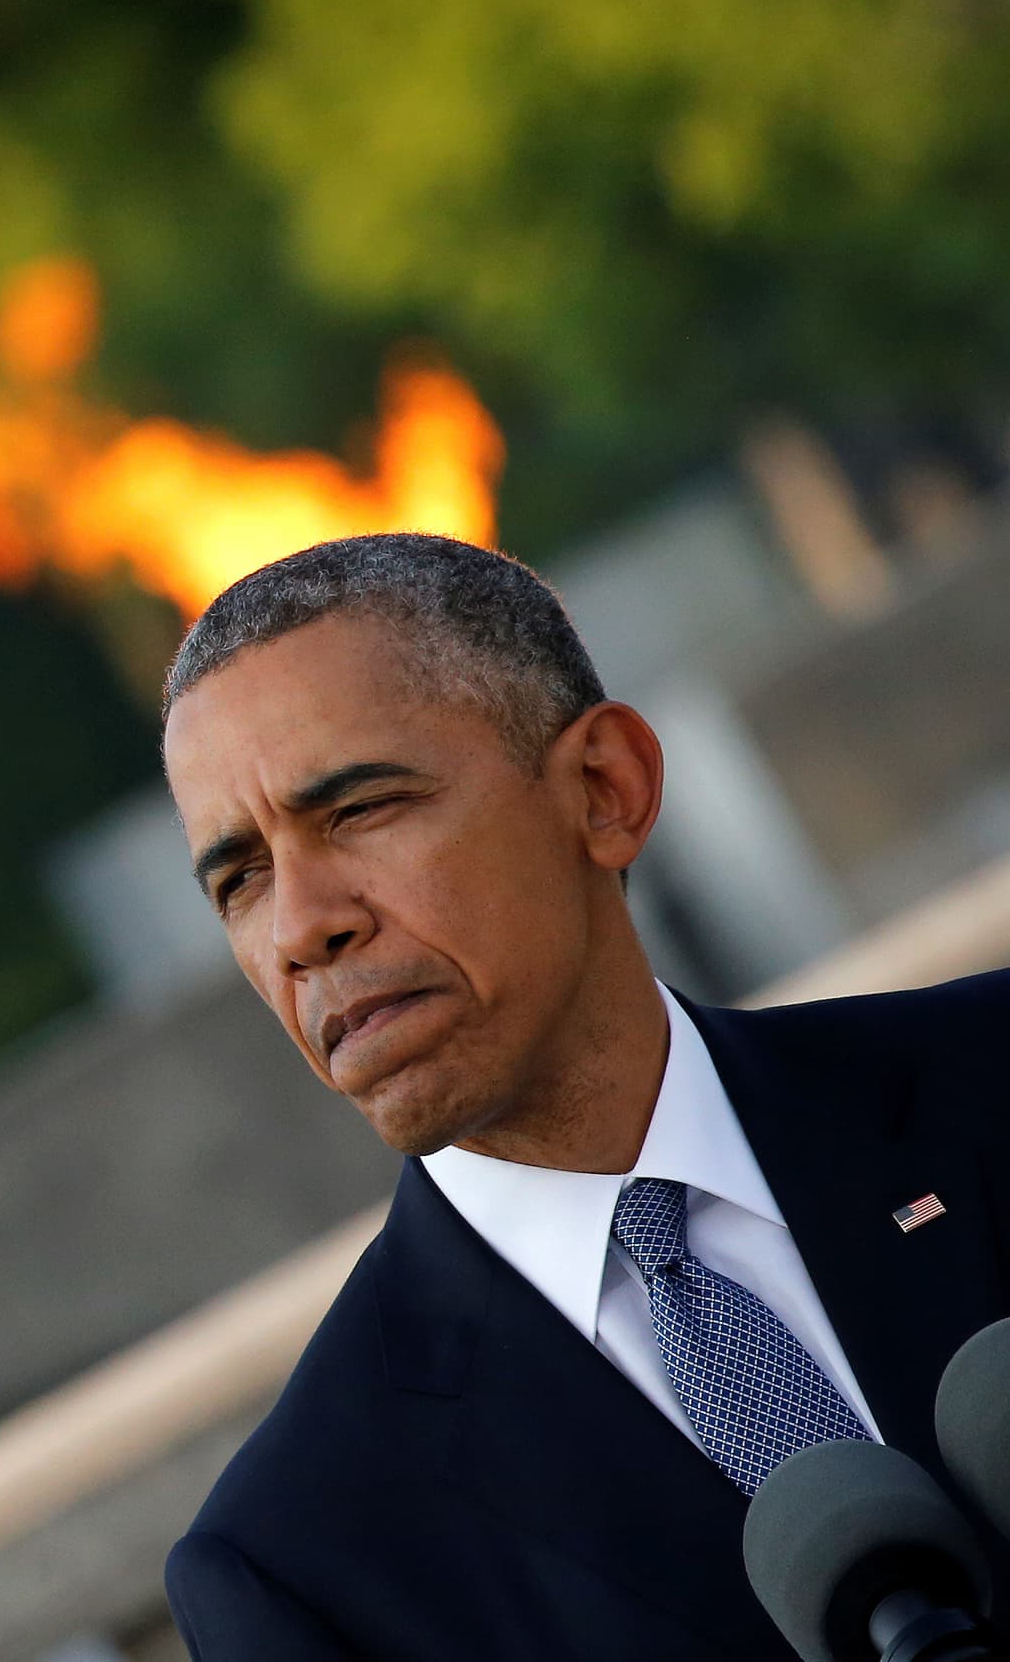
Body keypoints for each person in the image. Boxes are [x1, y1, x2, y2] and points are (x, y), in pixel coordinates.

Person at [158, 533, 1010, 1660]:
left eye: (359, 810)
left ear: (606, 789)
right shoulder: (301, 1558)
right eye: (240, 878)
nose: (301, 926)